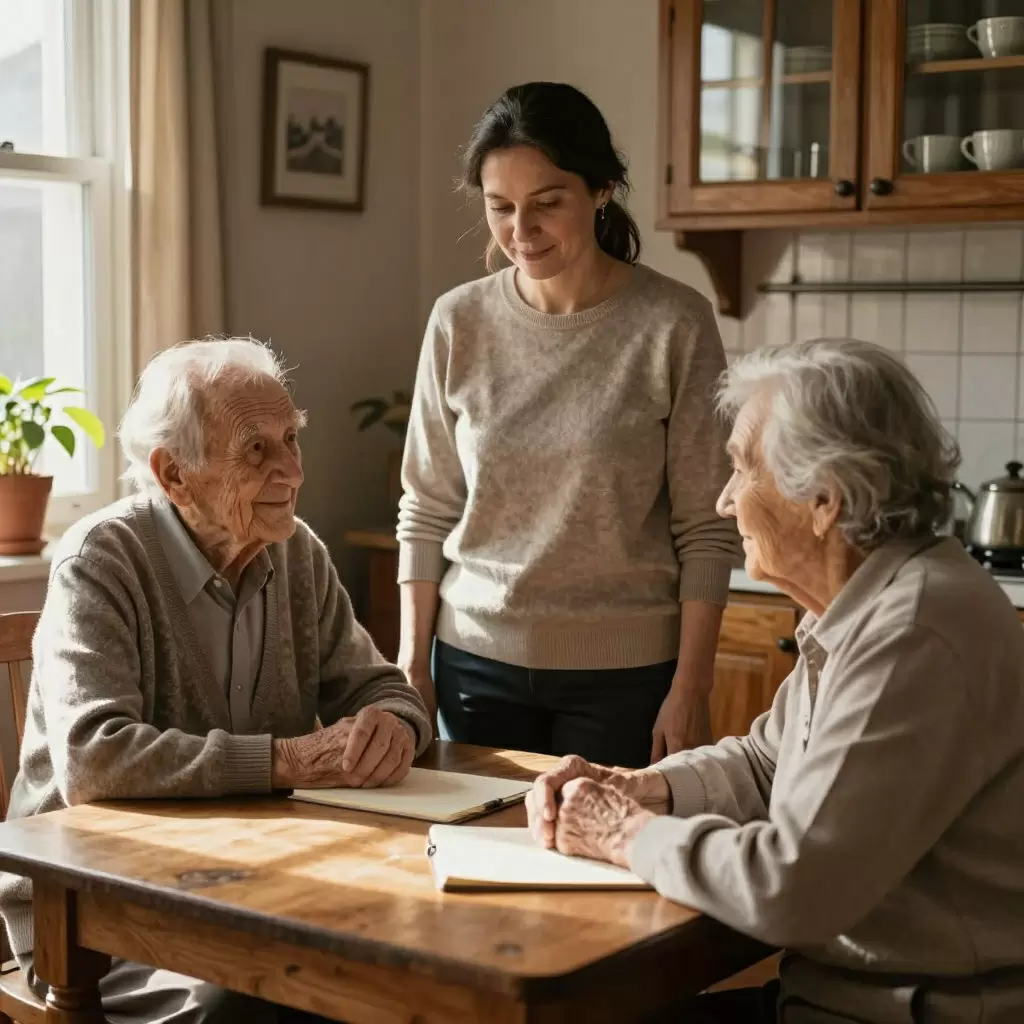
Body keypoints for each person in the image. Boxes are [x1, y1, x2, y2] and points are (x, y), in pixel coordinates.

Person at [524, 338, 1024, 1024]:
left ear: (824, 499)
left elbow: (793, 886)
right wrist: (649, 787)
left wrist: (623, 834)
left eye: (741, 470)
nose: (727, 501)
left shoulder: (912, 630)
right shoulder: (868, 603)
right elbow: (769, 763)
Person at [0, 338, 432, 1023]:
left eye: (291, 438)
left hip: (252, 883)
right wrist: (285, 759)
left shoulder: (297, 554)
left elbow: (387, 689)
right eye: (256, 450)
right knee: (249, 1003)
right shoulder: (100, 562)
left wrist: (393, 723)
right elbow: (95, 758)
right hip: (96, 906)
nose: (291, 469)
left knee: (400, 970)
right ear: (174, 475)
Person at [397, 82, 740, 769]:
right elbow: (427, 505)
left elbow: (707, 522)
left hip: (628, 679)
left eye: (547, 203)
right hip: (472, 665)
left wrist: (692, 683)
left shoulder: (673, 323)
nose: (521, 232)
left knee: (597, 873)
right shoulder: (458, 321)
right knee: (472, 862)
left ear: (602, 189)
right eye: (500, 208)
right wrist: (412, 664)